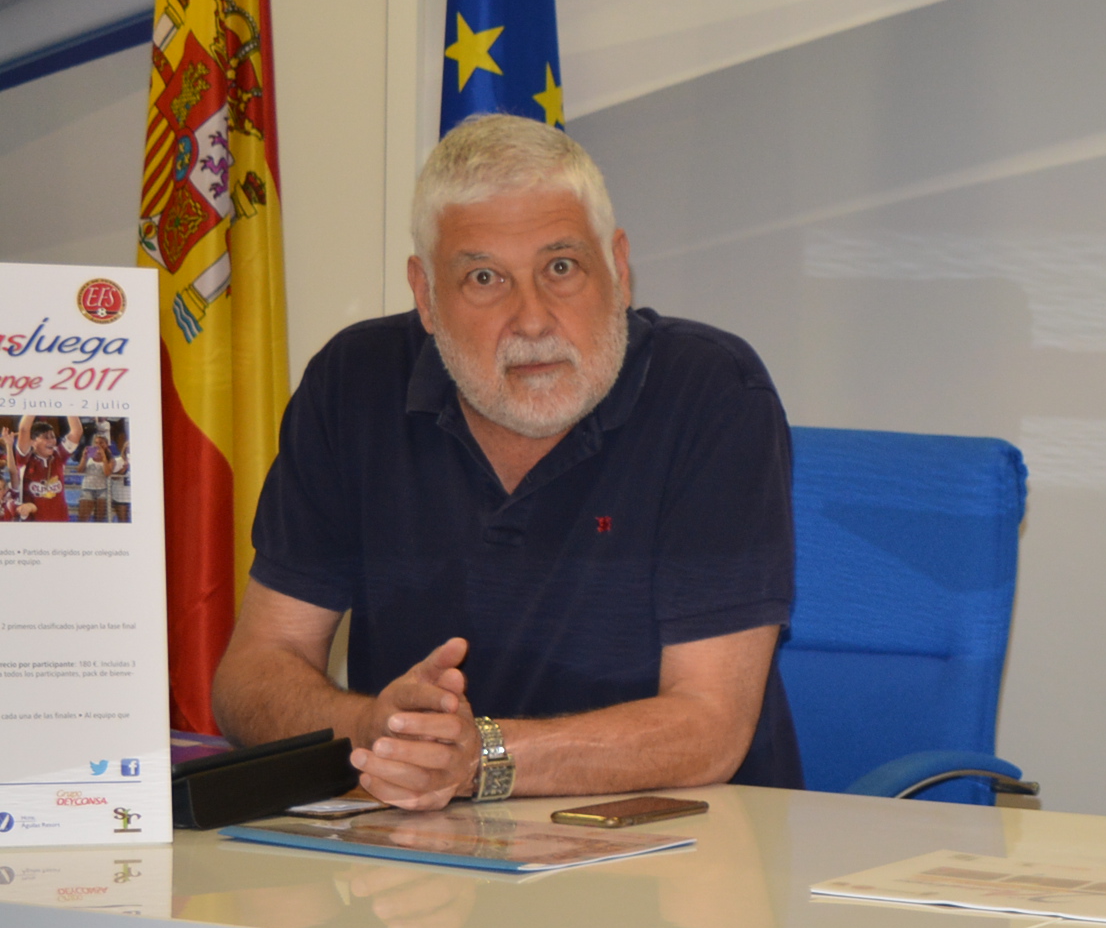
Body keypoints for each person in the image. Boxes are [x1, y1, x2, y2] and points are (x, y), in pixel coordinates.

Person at [213, 112, 800, 808]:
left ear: (617, 269)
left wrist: (479, 757)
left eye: (561, 268)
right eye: (485, 278)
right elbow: (251, 674)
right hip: (421, 853)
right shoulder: (353, 384)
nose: (532, 319)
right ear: (427, 296)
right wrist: (379, 730)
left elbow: (710, 727)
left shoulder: (711, 393)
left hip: (681, 845)